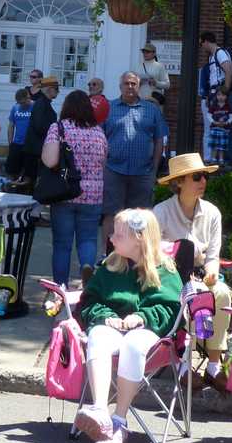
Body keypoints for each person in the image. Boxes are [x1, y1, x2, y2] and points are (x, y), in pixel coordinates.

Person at [75, 208, 182, 443]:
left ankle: (118, 422)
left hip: (150, 333)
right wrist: (106, 317)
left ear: (139, 238)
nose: (111, 237)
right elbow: (88, 302)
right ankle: (100, 411)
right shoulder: (110, 266)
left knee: (133, 343)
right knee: (98, 335)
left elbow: (170, 310)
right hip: (114, 326)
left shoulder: (165, 271)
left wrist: (141, 317)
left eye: (119, 234)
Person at [153, 152, 232, 391]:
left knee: (222, 293)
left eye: (204, 177)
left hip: (200, 275)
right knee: (189, 297)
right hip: (169, 277)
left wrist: (211, 272)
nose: (203, 182)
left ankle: (213, 366)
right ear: (179, 182)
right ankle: (184, 364)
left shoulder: (212, 212)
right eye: (197, 177)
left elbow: (213, 256)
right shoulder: (161, 212)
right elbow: (152, 255)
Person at [41, 90, 107, 298]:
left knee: (62, 243)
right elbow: (103, 162)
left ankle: (60, 291)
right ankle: (86, 272)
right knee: (87, 239)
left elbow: (50, 161)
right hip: (93, 194)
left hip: (65, 193)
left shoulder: (58, 128)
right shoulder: (98, 132)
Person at [101, 72, 165, 248]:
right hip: (113, 170)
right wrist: (102, 167)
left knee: (141, 217)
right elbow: (100, 137)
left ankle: (138, 255)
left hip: (143, 172)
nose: (130, 87)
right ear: (120, 86)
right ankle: (107, 256)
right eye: (127, 83)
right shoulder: (109, 108)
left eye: (133, 84)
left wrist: (154, 168)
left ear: (139, 87)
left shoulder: (151, 110)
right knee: (111, 214)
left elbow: (159, 139)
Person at [199, 32, 232, 162]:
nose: (201, 46)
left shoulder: (220, 53)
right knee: (211, 128)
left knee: (219, 128)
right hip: (214, 93)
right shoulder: (213, 56)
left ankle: (213, 160)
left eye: (201, 43)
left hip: (219, 93)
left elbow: (229, 71)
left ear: (207, 41)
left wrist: (224, 91)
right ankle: (210, 159)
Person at [22, 76, 59, 186]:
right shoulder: (41, 104)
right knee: (32, 184)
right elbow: (39, 126)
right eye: (56, 88)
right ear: (49, 89)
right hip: (35, 151)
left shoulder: (44, 103)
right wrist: (54, 130)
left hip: (37, 150)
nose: (58, 91)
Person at [5, 88, 33, 179]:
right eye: (20, 103)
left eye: (24, 102)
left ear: (28, 97)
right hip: (17, 143)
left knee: (29, 172)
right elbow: (11, 125)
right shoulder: (15, 108)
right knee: (12, 170)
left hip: (30, 144)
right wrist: (10, 143)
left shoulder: (36, 106)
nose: (22, 104)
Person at [137, 42, 170, 107]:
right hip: (140, 100)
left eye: (148, 52)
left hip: (154, 100)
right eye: (144, 52)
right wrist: (138, 82)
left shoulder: (159, 66)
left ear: (154, 53)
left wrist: (156, 83)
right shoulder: (138, 66)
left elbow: (167, 85)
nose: (145, 54)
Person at [208, 88, 232, 167]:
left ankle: (221, 159)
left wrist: (227, 122)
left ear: (226, 96)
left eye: (223, 95)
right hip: (214, 129)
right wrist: (213, 122)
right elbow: (208, 115)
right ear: (216, 96)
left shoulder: (228, 107)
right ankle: (213, 159)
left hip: (224, 129)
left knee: (222, 146)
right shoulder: (213, 106)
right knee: (214, 145)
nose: (221, 97)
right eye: (218, 95)